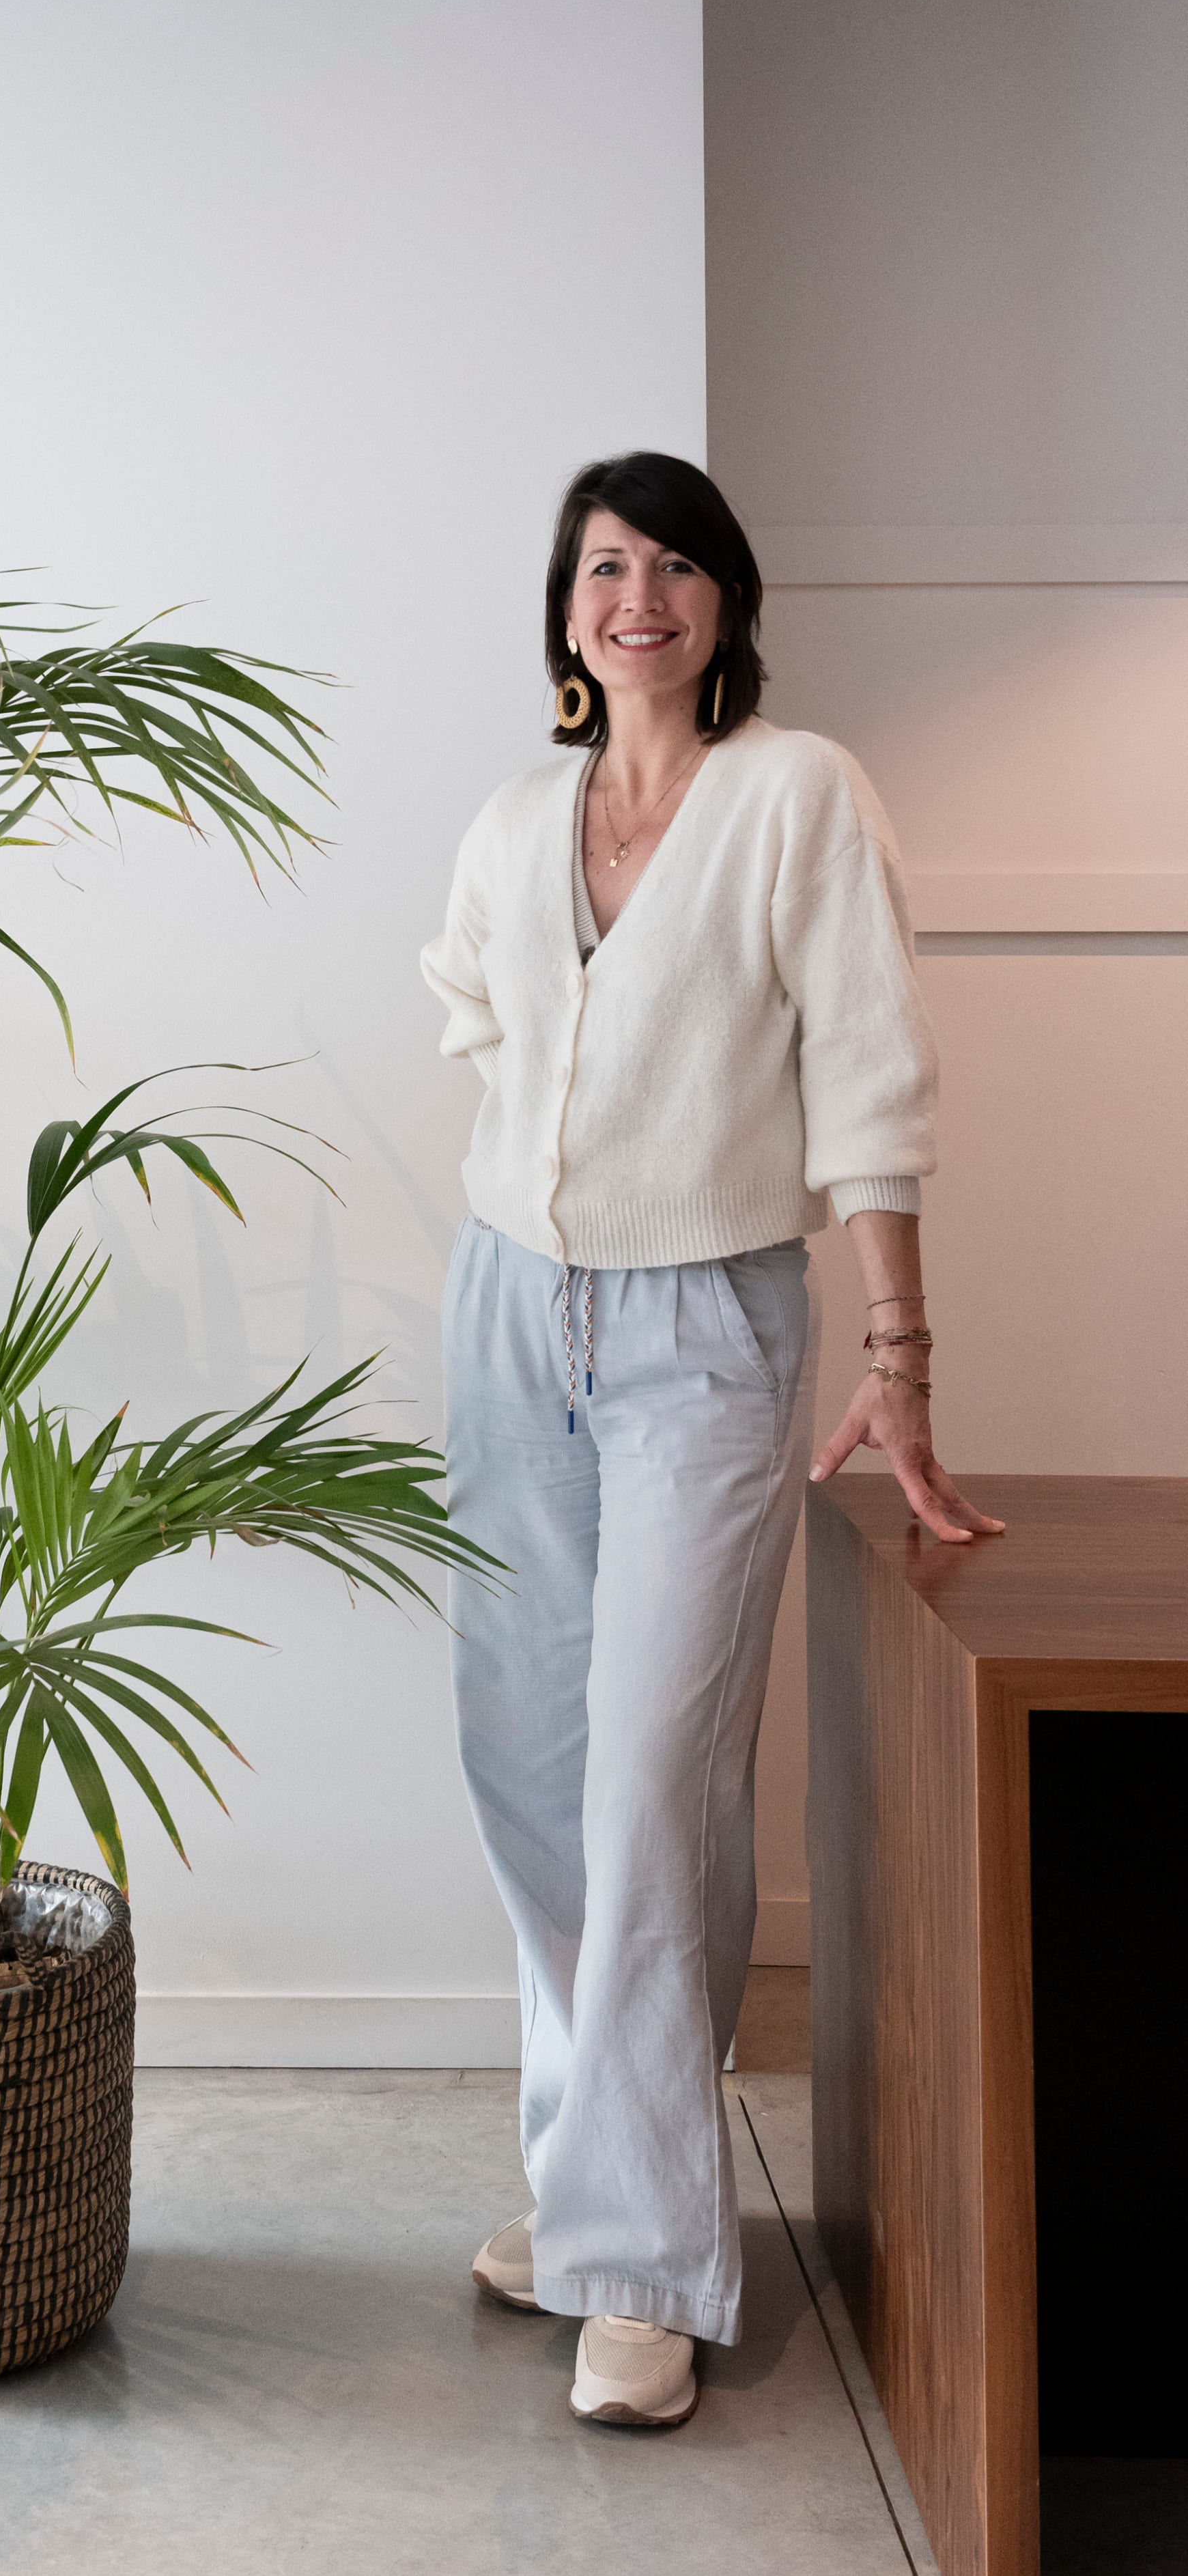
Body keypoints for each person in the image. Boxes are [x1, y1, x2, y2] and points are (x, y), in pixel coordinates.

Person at [421, 451, 1001, 2431]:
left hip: (704, 1329)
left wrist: (902, 1352)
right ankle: (601, 2191)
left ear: (726, 600)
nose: (639, 595)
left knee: (655, 1781)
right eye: (605, 566)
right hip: (512, 1313)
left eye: (675, 563)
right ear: (566, 609)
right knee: (528, 1766)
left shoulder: (796, 795)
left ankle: (649, 2261)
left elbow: (871, 1083)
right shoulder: (518, 822)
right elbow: (477, 1014)